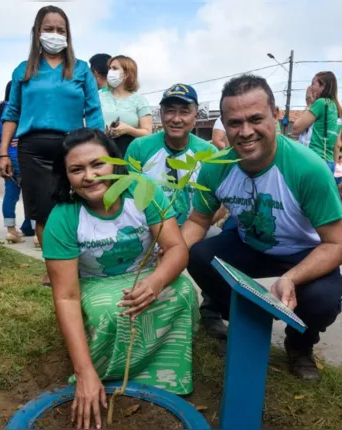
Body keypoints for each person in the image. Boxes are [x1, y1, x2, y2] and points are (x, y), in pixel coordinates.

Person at [183, 74, 342, 381]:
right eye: (234, 123)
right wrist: (166, 264)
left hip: (305, 253)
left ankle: (300, 345)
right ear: (223, 125)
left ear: (276, 115)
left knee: (324, 299)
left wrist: (291, 277)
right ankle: (242, 324)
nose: (245, 132)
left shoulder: (306, 169)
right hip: (250, 244)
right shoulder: (216, 167)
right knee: (199, 255)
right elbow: (198, 221)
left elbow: (336, 243)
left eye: (256, 119)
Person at [43, 128, 197, 429]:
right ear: (66, 176)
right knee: (108, 309)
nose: (89, 176)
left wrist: (155, 282)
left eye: (97, 164)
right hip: (93, 285)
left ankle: (163, 374)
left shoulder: (142, 193)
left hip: (146, 276)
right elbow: (65, 296)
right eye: (77, 169)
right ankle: (99, 374)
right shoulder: (63, 218)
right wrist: (83, 370)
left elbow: (177, 248)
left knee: (182, 292)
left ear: (114, 161)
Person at [0, 5, 104, 284]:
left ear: (68, 34)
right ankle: (54, 268)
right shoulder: (23, 70)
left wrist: (98, 150)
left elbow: (93, 112)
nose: (54, 34)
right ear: (37, 33)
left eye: (61, 30)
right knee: (43, 211)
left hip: (71, 147)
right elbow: (11, 113)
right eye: (48, 29)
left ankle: (86, 263)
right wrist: (2, 153)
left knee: (75, 206)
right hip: (31, 149)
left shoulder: (81, 70)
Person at [125, 83, 227, 339]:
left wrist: (186, 234)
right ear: (160, 114)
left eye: (185, 111)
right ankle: (135, 304)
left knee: (220, 247)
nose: (177, 118)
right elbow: (129, 197)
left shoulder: (209, 153)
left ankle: (212, 310)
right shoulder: (139, 148)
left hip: (195, 228)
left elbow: (219, 201)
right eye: (170, 111)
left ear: (196, 116)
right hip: (150, 228)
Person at [0, 80, 34, 243]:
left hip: (5, 155)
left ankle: (11, 231)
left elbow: (0, 134)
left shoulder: (2, 108)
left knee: (10, 195)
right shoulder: (23, 108)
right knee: (33, 195)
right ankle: (38, 235)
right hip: (24, 154)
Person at [100, 55, 153, 156]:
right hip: (102, 150)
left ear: (126, 73)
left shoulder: (140, 100)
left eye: (115, 68)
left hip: (129, 153)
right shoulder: (98, 97)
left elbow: (148, 133)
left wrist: (128, 130)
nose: (110, 72)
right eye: (109, 68)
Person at [292, 71, 342, 172]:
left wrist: (309, 104)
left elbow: (295, 129)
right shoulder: (337, 109)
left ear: (322, 85)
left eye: (313, 83)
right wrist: (337, 171)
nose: (310, 87)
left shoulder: (321, 103)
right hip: (329, 162)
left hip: (314, 160)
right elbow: (337, 144)